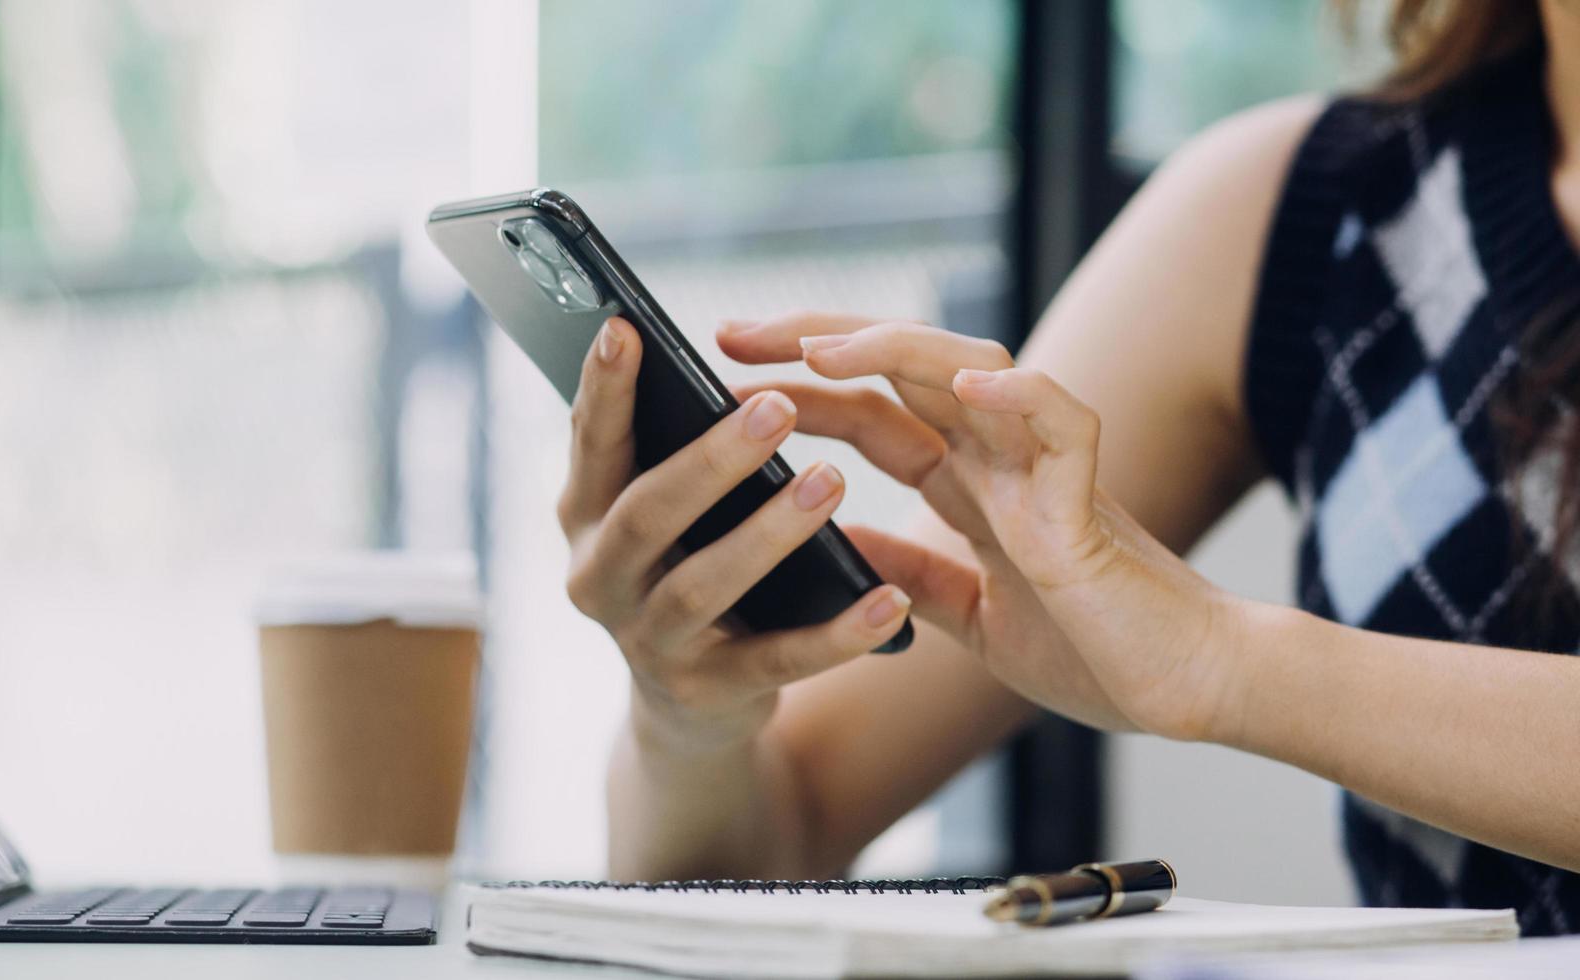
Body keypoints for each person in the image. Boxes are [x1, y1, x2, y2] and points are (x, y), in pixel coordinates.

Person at [554, 0, 1580, 937]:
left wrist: (1230, 662)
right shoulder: (1306, 209)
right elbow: (773, 841)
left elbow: (1209, 654)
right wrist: (690, 711)